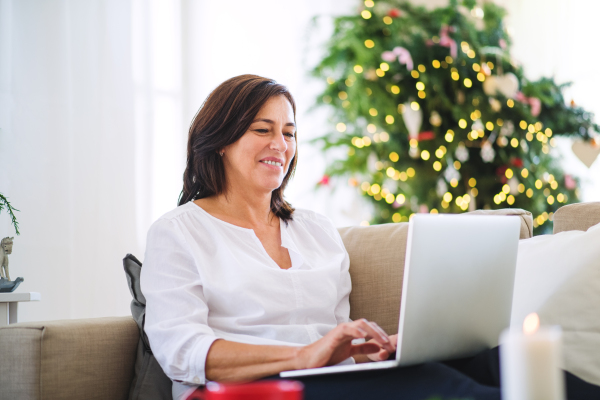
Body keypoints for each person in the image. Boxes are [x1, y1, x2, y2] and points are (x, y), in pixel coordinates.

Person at [141, 75, 598, 400]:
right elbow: (182, 353)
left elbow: (336, 344)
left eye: (289, 132)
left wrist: (376, 347)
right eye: (262, 130)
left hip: (333, 381)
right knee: (448, 389)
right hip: (253, 391)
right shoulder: (178, 233)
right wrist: (305, 355)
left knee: (500, 363)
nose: (280, 144)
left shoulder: (315, 231)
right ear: (219, 139)